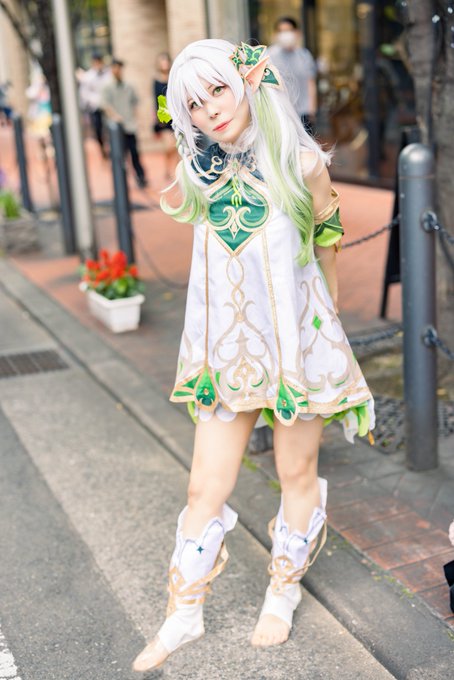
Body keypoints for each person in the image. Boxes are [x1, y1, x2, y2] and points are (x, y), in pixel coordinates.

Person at [132, 39, 375, 673]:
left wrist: (329, 316)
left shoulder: (300, 160)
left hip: (296, 342)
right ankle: (183, 613)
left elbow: (327, 231)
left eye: (218, 89)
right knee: (202, 485)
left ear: (246, 82)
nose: (210, 109)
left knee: (296, 472)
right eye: (193, 103)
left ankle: (283, 592)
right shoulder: (197, 170)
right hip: (229, 348)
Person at [102, 58, 148, 188]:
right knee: (119, 156)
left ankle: (141, 177)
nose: (117, 70)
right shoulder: (107, 87)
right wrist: (115, 116)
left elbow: (135, 104)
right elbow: (105, 105)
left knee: (134, 153)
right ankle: (120, 182)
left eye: (119, 68)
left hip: (130, 126)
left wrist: (138, 120)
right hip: (116, 129)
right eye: (114, 67)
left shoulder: (129, 86)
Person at [269, 16, 317, 134]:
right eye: (281, 31)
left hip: (303, 113)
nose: (285, 34)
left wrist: (312, 109)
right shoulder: (269, 55)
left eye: (288, 30)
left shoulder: (304, 55)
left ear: (297, 33)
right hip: (281, 112)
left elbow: (310, 83)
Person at [79, 54, 111, 158]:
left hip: (108, 107)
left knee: (110, 128)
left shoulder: (108, 74)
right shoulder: (88, 76)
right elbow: (84, 93)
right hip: (95, 107)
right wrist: (95, 101)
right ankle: (103, 149)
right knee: (98, 129)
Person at [152, 52, 178, 180]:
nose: (164, 64)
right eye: (162, 61)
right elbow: (156, 100)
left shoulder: (174, 78)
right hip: (164, 116)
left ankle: (176, 170)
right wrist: (157, 118)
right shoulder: (156, 81)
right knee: (169, 145)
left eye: (166, 61)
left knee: (177, 145)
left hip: (176, 114)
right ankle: (167, 169)